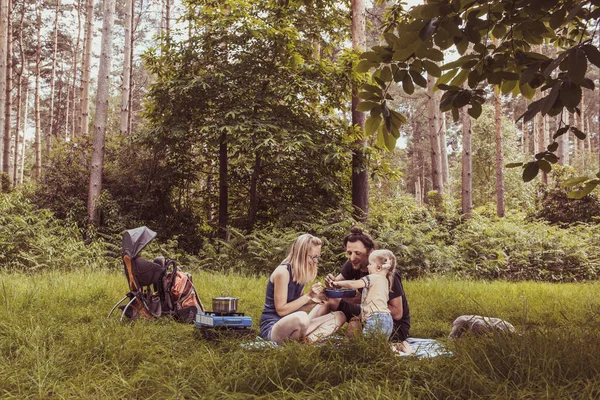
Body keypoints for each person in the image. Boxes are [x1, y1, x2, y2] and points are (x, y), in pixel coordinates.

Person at [318, 227, 412, 351]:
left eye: (357, 253)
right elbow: (337, 283)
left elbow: (398, 313)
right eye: (349, 253)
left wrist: (361, 308)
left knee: (354, 329)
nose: (352, 258)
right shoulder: (353, 264)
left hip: (390, 323)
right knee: (329, 300)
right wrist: (331, 283)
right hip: (367, 313)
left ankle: (396, 346)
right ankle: (306, 330)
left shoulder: (386, 275)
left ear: (369, 252)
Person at [259, 234, 346, 343]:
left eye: (317, 257)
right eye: (313, 257)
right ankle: (304, 338)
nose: (316, 261)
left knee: (340, 316)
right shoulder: (283, 272)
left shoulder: (301, 274)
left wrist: (315, 301)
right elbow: (281, 310)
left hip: (294, 325)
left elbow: (296, 308)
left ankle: (308, 341)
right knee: (302, 318)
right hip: (273, 328)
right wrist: (308, 295)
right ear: (301, 254)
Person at [332, 249, 396, 339]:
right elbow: (372, 303)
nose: (368, 266)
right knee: (377, 347)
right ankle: (398, 348)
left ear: (378, 267)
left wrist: (337, 283)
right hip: (387, 319)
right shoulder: (385, 281)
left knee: (367, 345)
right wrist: (359, 316)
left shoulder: (373, 277)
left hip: (376, 319)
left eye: (370, 264)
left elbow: (354, 284)